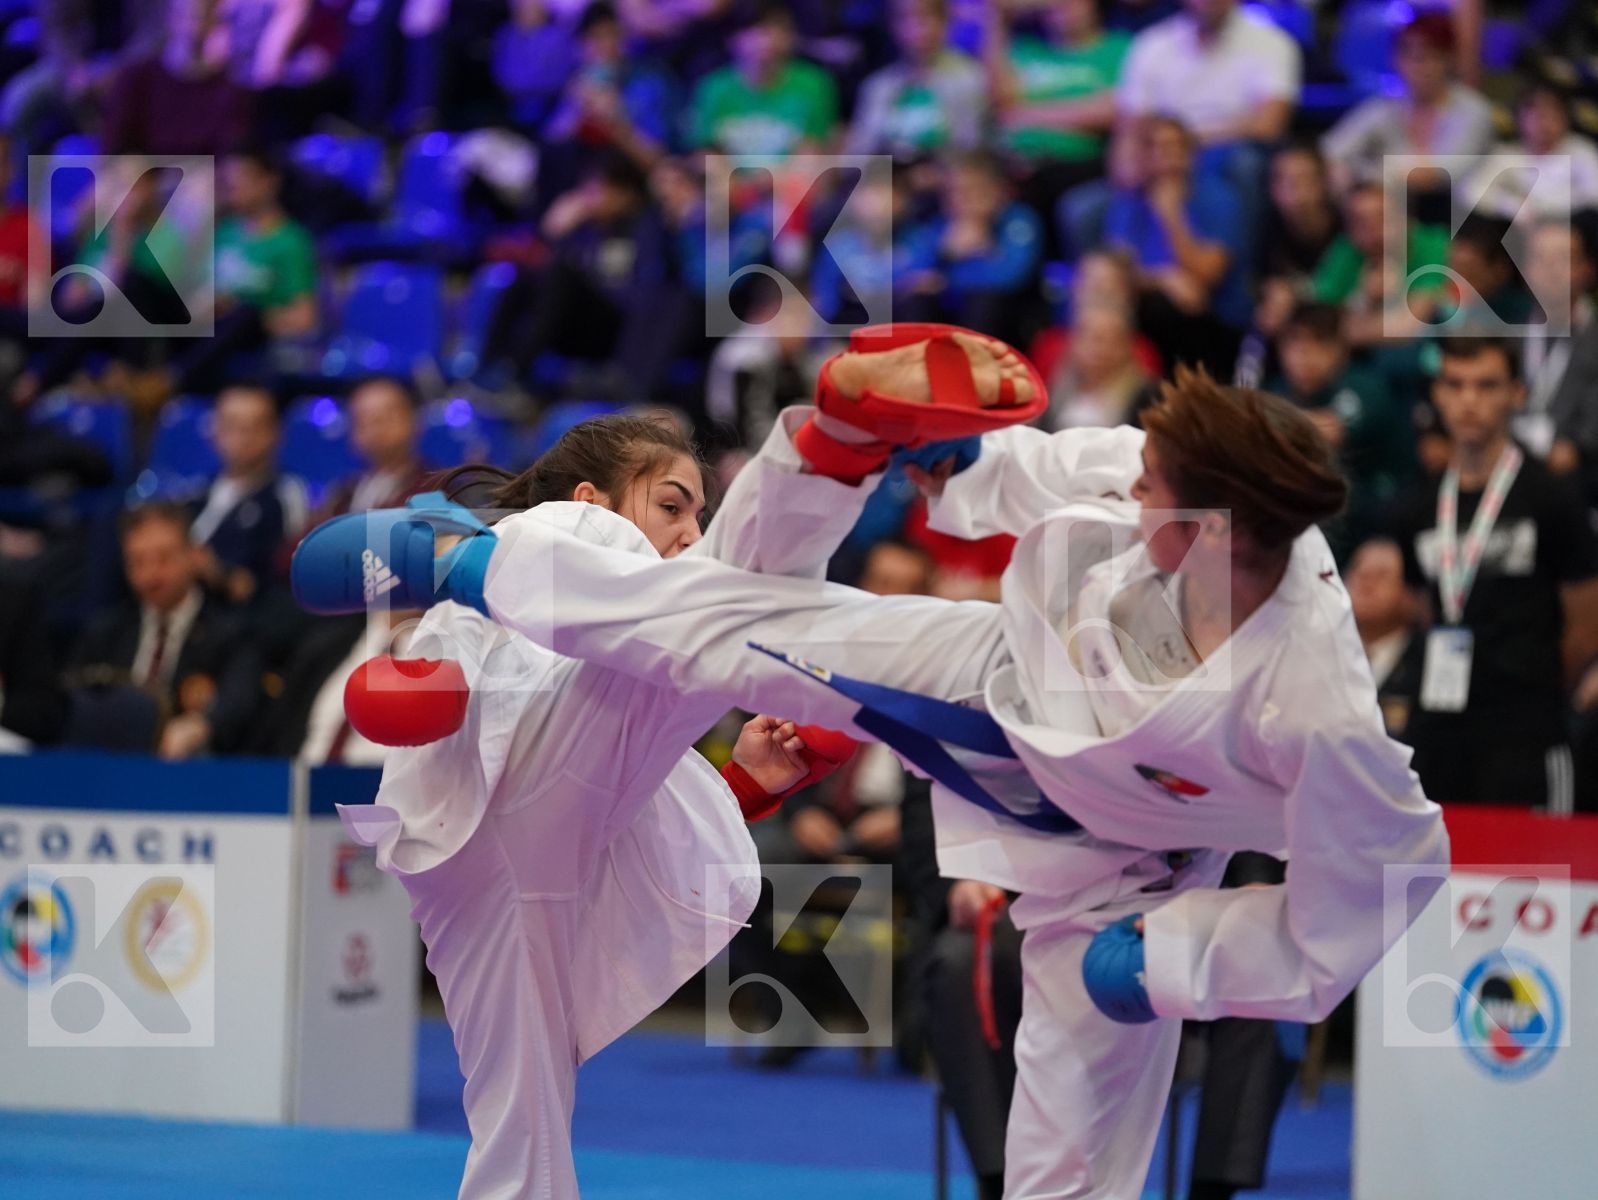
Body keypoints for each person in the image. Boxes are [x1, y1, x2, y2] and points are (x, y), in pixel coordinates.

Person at [294, 327, 1448, 1200]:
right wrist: (952, 458)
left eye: (1150, 492)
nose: (1129, 486)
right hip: (1003, 676)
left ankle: (713, 496)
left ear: (1215, 533)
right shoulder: (1153, 476)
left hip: (1124, 876)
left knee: (1068, 1166)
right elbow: (1044, 470)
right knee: (744, 626)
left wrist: (1178, 960)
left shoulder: (1314, 711)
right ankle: (526, 550)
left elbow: (1386, 880)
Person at [326, 411, 867, 1199]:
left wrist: (747, 782)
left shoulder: (627, 626)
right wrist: (429, 667)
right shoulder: (558, 533)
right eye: (672, 505)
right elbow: (461, 618)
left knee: (525, 1122)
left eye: (699, 515)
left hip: (509, 845)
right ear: (591, 497)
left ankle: (840, 444)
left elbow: (616, 785)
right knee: (720, 594)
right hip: (498, 797)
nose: (688, 530)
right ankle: (841, 436)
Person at [1392, 337, 1598, 813]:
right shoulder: (1417, 505)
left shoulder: (1551, 496)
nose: (1469, 400)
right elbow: (1422, 606)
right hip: (1437, 722)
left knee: (1533, 858)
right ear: (1437, 394)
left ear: (1516, 394)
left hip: (1524, 726)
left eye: (1486, 385)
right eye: (1455, 384)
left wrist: (1536, 681)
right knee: (1434, 855)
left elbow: (1586, 619)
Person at [68, 503, 260, 761]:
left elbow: (238, 704)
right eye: (137, 562)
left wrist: (201, 726)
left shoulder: (230, 635)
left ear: (194, 555)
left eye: (164, 559)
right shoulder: (106, 633)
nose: (150, 575)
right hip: (110, 768)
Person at [1320, 9, 1495, 218]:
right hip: (1393, 215)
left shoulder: (1474, 111)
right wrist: (1345, 173)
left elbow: (1436, 175)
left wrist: (1361, 174)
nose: (1418, 66)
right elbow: (1328, 152)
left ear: (1449, 59)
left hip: (1457, 219)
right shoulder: (1386, 106)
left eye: (1429, 56)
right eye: (1408, 55)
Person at [189, 383, 308, 607]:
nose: (242, 437)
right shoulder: (198, 493)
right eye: (231, 425)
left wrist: (214, 572)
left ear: (276, 432)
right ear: (214, 430)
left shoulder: (284, 494)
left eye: (254, 426)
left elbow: (281, 576)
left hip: (245, 617)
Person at [846, 0, 988, 161]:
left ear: (945, 20)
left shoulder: (970, 78)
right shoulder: (877, 87)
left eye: (926, 16)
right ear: (892, 26)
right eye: (905, 18)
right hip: (893, 172)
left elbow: (971, 150)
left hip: (950, 171)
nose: (916, 28)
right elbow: (859, 157)